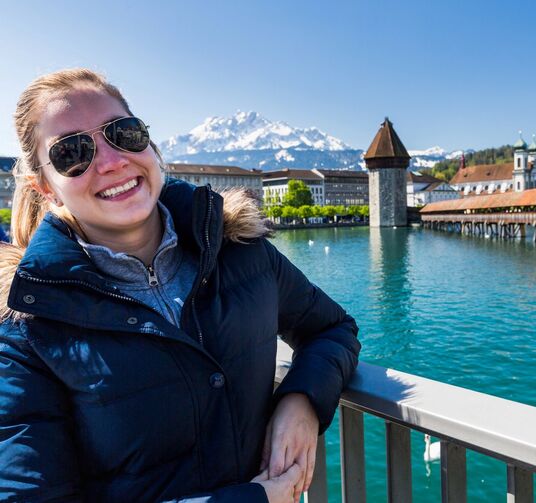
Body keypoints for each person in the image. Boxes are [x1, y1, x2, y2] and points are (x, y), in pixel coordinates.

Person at [0, 69, 360, 503]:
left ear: (149, 143)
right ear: (46, 188)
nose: (111, 161)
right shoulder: (27, 322)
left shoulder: (240, 249)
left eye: (123, 132)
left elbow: (332, 328)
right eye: (71, 152)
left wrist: (301, 400)